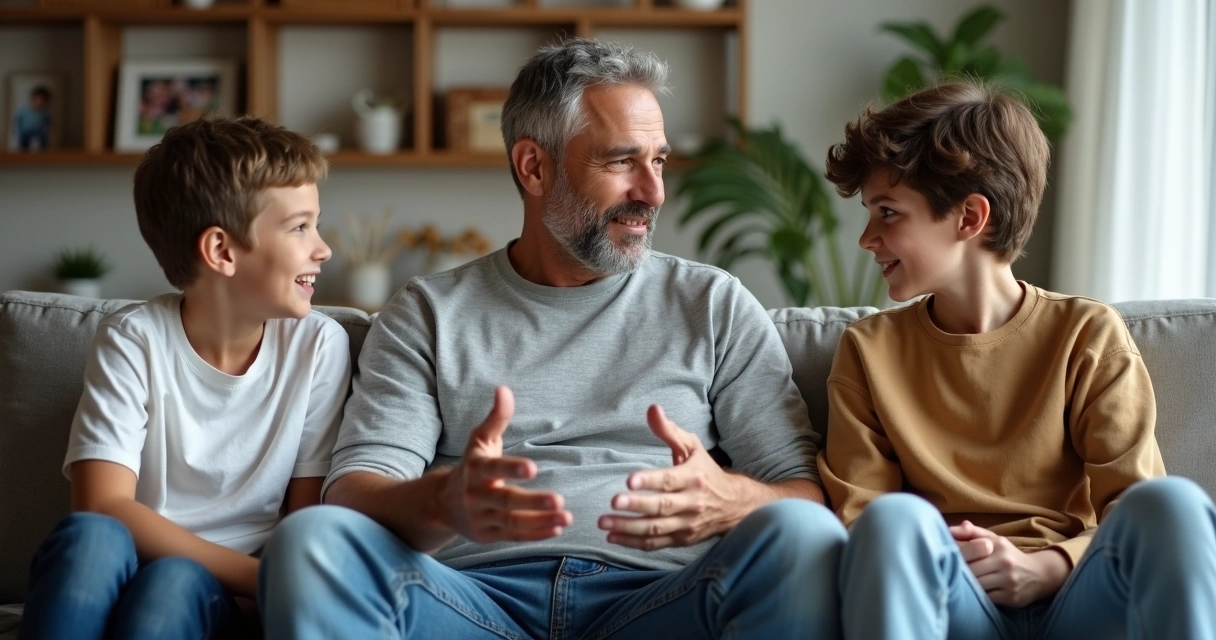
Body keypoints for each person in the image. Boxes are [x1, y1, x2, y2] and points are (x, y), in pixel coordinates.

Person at [259, 38, 845, 639]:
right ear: (533, 166)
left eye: (659, 160)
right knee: (312, 541)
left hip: (661, 605)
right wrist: (442, 502)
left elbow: (805, 494)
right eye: (621, 162)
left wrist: (731, 499)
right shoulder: (428, 313)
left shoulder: (712, 304)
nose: (653, 192)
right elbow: (356, 492)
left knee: (805, 535)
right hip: (472, 607)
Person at [817, 81, 1216, 639]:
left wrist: (1046, 567)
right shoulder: (868, 351)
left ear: (969, 218)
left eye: (887, 212)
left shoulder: (1085, 334)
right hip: (950, 598)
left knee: (1171, 504)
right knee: (892, 520)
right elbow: (862, 518)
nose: (867, 238)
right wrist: (958, 560)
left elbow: (1131, 505)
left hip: (1076, 598)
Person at [19, 116, 351, 640]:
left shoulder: (318, 346)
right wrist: (266, 575)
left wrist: (273, 584)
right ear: (222, 251)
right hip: (128, 566)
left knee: (172, 581)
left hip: (224, 597)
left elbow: (305, 520)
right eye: (300, 227)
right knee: (89, 539)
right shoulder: (133, 338)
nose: (323, 248)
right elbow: (102, 505)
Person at [12, 85, 51, 151]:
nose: (40, 102)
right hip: (25, 132)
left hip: (39, 133)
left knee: (42, 140)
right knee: (23, 142)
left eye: (43, 100)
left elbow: (49, 125)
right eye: (38, 99)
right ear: (32, 98)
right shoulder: (23, 111)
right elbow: (16, 123)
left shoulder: (45, 113)